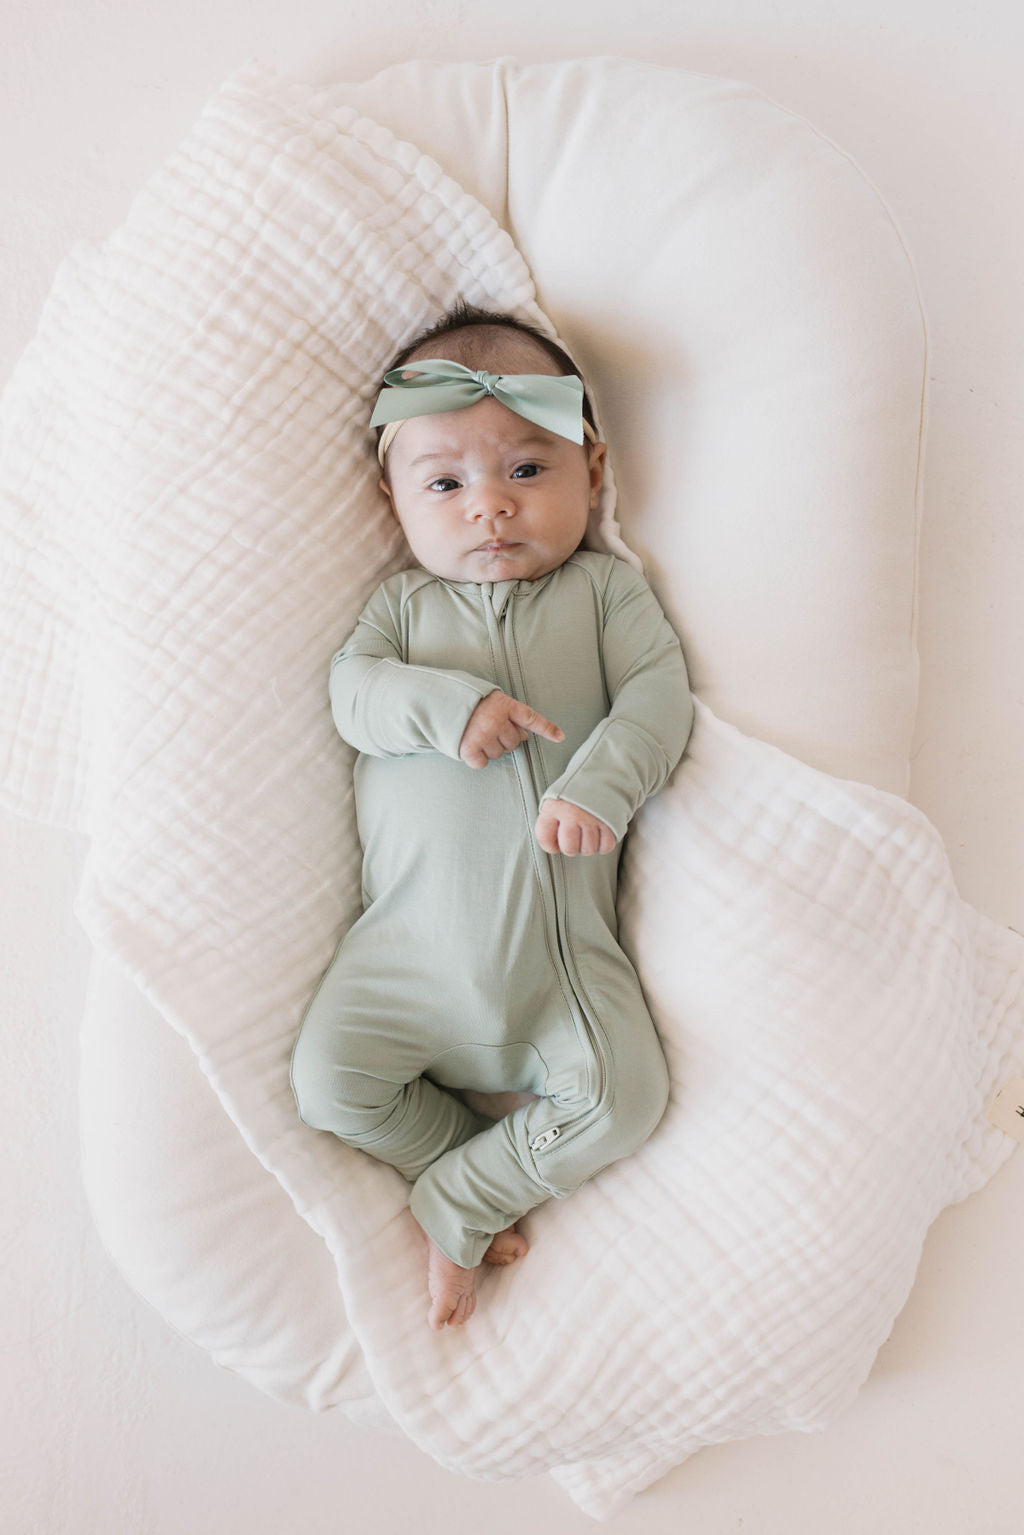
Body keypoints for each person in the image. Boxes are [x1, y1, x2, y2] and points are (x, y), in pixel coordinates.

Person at [290, 300, 694, 1331]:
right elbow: (354, 697)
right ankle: (446, 1148)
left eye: (526, 469)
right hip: (402, 957)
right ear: (392, 499)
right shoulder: (399, 615)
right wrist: (445, 708)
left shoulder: (606, 594)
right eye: (444, 482)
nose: (489, 507)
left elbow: (656, 700)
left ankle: (464, 1192)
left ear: (593, 470)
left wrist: (599, 785)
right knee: (329, 1081)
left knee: (624, 1100)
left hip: (562, 965)